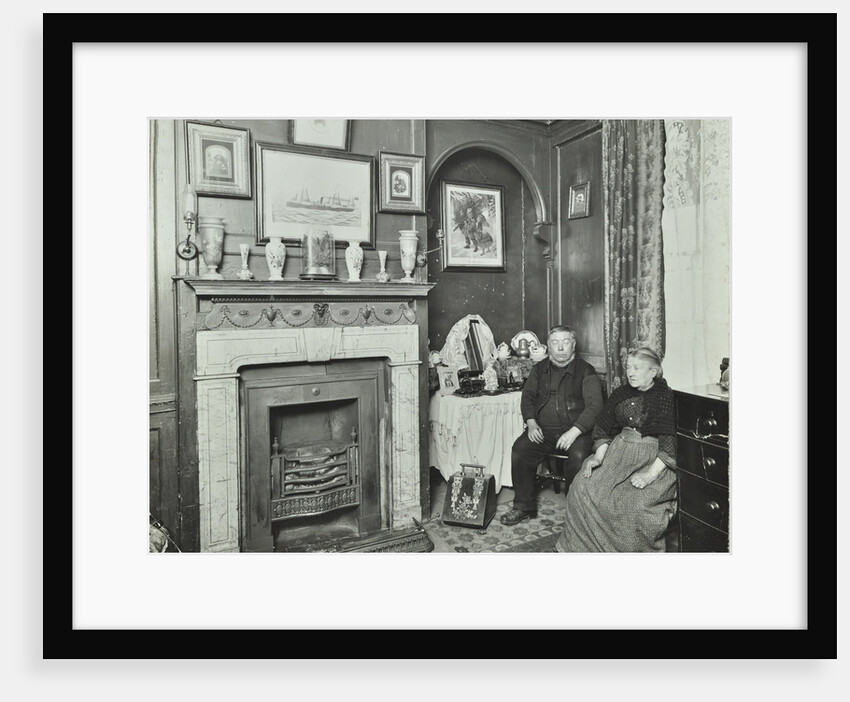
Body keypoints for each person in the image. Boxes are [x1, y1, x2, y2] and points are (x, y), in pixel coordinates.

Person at [555, 346, 678, 552]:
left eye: (637, 368)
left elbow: (668, 446)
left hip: (653, 461)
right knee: (582, 488)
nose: (630, 372)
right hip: (618, 454)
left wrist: (649, 476)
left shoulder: (665, 397)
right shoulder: (621, 393)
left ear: (653, 372)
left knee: (633, 506)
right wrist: (598, 457)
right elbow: (604, 428)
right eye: (628, 367)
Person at [500, 325, 604, 526]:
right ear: (548, 346)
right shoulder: (539, 369)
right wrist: (531, 423)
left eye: (565, 342)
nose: (561, 348)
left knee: (579, 458)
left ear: (573, 345)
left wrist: (574, 432)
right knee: (520, 450)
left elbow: (595, 406)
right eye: (555, 343)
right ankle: (523, 506)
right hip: (543, 432)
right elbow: (527, 397)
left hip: (576, 432)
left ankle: (576, 513)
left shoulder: (586, 371)